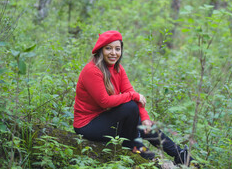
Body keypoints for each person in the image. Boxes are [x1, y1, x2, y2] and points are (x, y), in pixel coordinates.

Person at [73, 30, 193, 165]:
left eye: (117, 49)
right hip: (88, 125)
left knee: (144, 124)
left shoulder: (118, 69)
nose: (113, 53)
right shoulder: (92, 70)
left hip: (106, 118)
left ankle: (180, 155)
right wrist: (132, 95)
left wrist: (146, 118)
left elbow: (133, 96)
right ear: (101, 50)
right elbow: (104, 102)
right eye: (108, 48)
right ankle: (134, 145)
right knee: (129, 106)